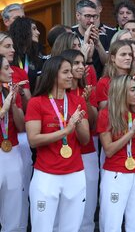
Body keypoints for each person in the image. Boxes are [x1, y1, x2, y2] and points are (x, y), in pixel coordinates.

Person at [26, 56, 89, 232]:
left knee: (71, 228)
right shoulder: (36, 102)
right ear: (53, 75)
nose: (71, 75)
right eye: (66, 72)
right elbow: (33, 139)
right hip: (47, 175)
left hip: (75, 173)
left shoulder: (77, 101)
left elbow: (84, 140)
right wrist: (66, 130)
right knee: (42, 228)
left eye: (71, 71)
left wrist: (77, 125)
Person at [97, 75, 135, 232]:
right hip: (116, 174)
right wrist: (131, 132)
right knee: (112, 224)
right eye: (133, 89)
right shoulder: (106, 114)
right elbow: (109, 150)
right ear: (120, 91)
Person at [61, 49, 99, 232]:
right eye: (75, 63)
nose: (80, 67)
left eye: (82, 63)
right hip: (64, 153)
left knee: (88, 202)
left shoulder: (87, 89)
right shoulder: (58, 92)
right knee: (67, 205)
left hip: (87, 151)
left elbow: (94, 124)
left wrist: (87, 102)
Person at [0, 54, 25, 231]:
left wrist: (14, 104)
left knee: (13, 204)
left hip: (12, 150)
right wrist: (3, 110)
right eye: (7, 68)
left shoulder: (8, 91)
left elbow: (22, 126)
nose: (11, 71)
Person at [71, 0, 108, 78]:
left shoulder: (102, 35)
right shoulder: (70, 34)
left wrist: (98, 44)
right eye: (87, 16)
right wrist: (85, 40)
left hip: (98, 82)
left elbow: (107, 64)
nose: (91, 20)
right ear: (78, 16)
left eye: (94, 16)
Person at [10, 17, 44, 93]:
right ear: (24, 31)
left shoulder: (35, 57)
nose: (38, 32)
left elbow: (38, 88)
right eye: (34, 29)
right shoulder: (10, 55)